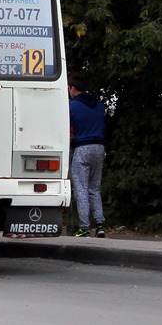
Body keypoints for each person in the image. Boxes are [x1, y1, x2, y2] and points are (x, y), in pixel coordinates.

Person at [69, 76, 107, 238]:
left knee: (81, 189)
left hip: (82, 148)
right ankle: (100, 225)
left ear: (72, 88)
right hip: (100, 148)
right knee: (94, 188)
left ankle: (84, 227)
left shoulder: (72, 106)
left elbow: (68, 129)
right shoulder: (99, 105)